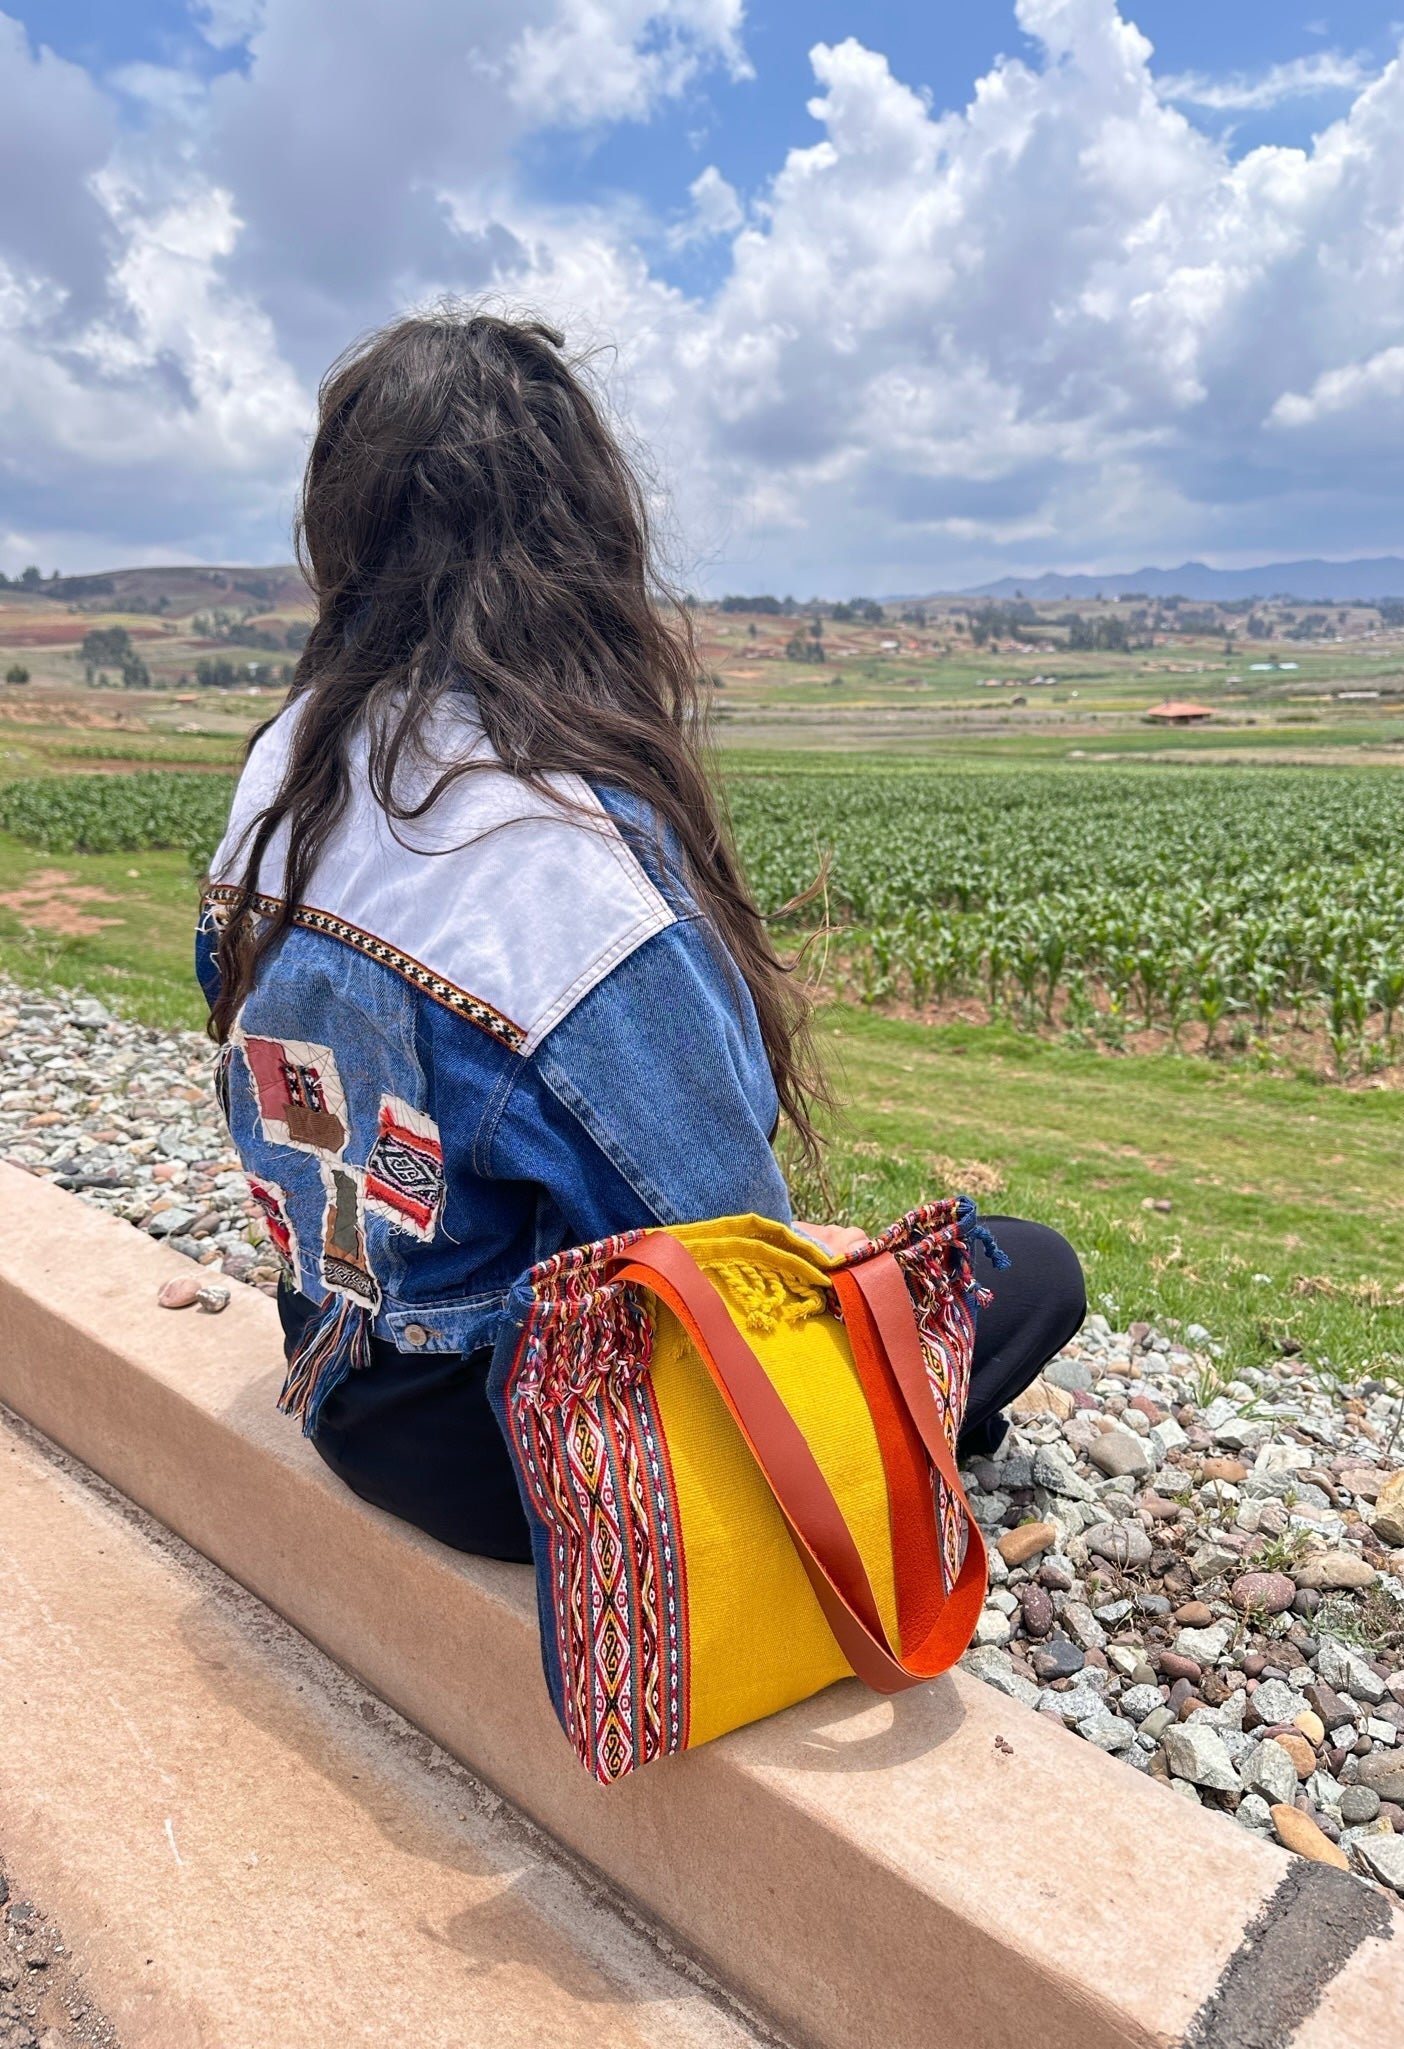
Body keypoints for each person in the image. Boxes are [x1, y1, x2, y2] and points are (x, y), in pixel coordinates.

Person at [198, 309, 1085, 1562]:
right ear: (582, 535)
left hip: (338, 1365)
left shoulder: (291, 768)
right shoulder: (558, 855)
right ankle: (904, 1446)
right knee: (1028, 1272)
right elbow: (733, 1260)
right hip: (517, 1457)